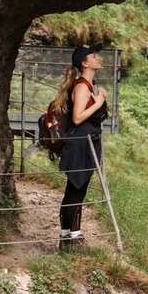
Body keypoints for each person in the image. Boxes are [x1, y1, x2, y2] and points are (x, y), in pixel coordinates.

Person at [54, 43, 108, 245]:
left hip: (84, 142)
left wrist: (97, 101)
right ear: (85, 63)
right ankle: (70, 237)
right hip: (80, 144)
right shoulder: (82, 86)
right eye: (94, 56)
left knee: (77, 189)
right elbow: (77, 118)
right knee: (76, 190)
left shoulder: (86, 86)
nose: (98, 58)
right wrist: (98, 103)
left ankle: (69, 236)